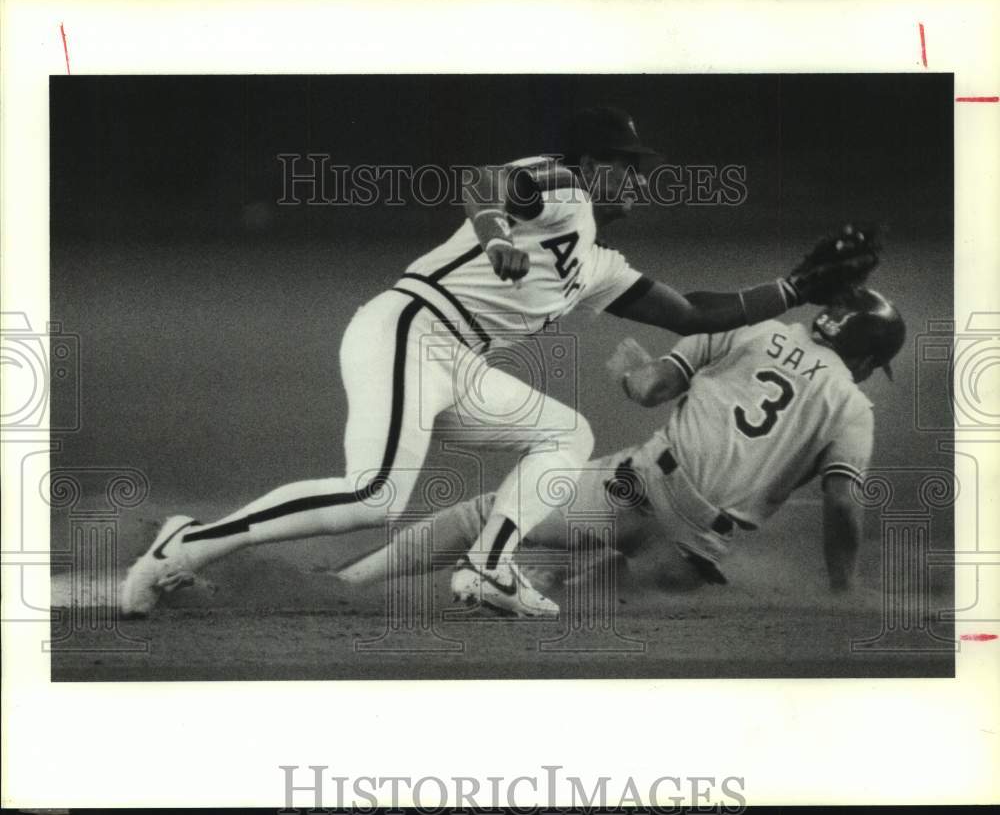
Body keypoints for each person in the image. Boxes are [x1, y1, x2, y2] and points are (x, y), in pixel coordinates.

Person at [120, 106, 876, 618]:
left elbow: (692, 313)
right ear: (591, 161)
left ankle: (488, 566)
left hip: (456, 359)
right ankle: (186, 542)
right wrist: (497, 235)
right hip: (411, 329)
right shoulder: (562, 183)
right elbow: (485, 183)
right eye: (627, 163)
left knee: (566, 434)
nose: (638, 178)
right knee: (375, 495)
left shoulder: (601, 261)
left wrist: (793, 287)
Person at [337, 288, 905, 595]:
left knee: (486, 516)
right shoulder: (853, 408)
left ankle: (349, 583)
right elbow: (841, 502)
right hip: (691, 548)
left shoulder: (753, 328)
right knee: (608, 598)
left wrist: (634, 370)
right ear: (865, 355)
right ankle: (568, 578)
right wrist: (841, 586)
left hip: (635, 487)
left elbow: (650, 389)